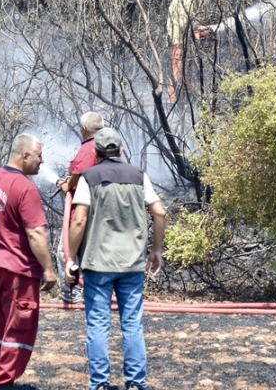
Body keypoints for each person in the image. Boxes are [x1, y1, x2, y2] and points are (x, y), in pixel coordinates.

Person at [66, 127, 167, 390]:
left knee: (98, 325)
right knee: (132, 324)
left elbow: (79, 220)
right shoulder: (138, 175)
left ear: (96, 154)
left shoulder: (89, 176)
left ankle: (99, 384)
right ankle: (136, 383)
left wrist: (70, 258)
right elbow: (160, 212)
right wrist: (156, 250)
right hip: (132, 264)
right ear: (121, 151)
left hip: (98, 264)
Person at [0, 134, 59, 389]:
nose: (42, 161)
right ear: (24, 155)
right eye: (38, 156)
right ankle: (3, 383)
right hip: (17, 270)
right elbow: (35, 233)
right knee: (19, 327)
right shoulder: (25, 188)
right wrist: (48, 270)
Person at [56, 111, 105, 304]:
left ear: (84, 129)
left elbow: (80, 173)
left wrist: (66, 185)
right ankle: (95, 293)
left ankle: (71, 293)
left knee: (66, 252)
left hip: (81, 212)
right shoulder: (106, 146)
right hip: (100, 212)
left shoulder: (88, 149)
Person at [166, 0, 212, 103]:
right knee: (179, 72)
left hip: (177, 40)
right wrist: (196, 31)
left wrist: (198, 28)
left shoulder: (176, 0)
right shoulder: (186, 2)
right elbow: (184, 23)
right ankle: (176, 100)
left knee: (183, 71)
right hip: (180, 42)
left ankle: (183, 98)